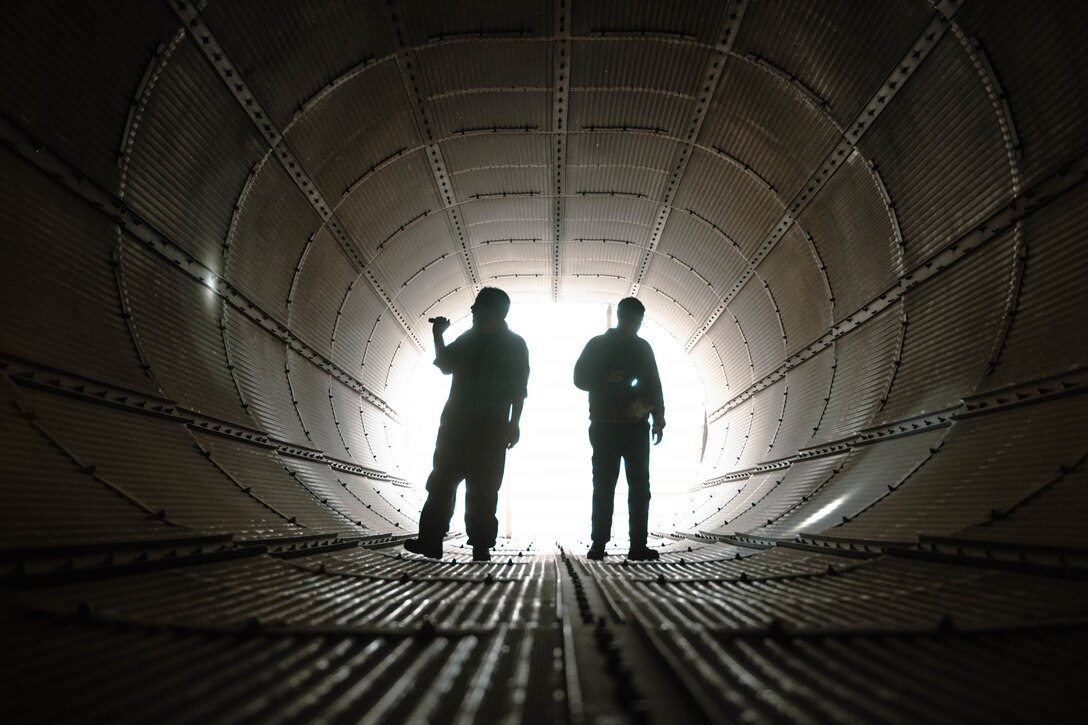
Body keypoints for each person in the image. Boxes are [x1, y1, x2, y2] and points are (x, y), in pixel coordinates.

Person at [404, 287, 529, 562]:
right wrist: (438, 335)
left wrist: (514, 423)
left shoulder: (514, 345)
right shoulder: (471, 338)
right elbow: (446, 365)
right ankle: (431, 541)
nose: (472, 311)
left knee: (483, 489)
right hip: (457, 427)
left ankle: (480, 547)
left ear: (494, 311)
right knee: (441, 484)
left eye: (477, 307)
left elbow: (519, 389)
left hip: (488, 429)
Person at [574, 297, 665, 561]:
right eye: (632, 320)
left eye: (638, 322)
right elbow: (578, 378)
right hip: (606, 426)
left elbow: (654, 385)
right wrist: (604, 377)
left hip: (632, 426)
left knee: (637, 486)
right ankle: (599, 543)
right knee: (606, 485)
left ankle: (636, 545)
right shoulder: (599, 345)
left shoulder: (641, 348)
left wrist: (658, 419)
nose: (634, 326)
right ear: (621, 317)